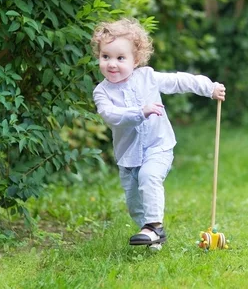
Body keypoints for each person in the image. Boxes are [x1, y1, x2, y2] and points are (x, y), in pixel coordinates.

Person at [91, 17, 226, 248]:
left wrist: (209, 88)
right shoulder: (102, 92)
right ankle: (153, 234)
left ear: (136, 61)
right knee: (135, 203)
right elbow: (111, 115)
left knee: (149, 177)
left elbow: (179, 81)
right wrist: (140, 112)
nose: (112, 64)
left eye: (120, 58)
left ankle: (154, 226)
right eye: (106, 57)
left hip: (158, 146)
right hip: (128, 156)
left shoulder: (148, 77)